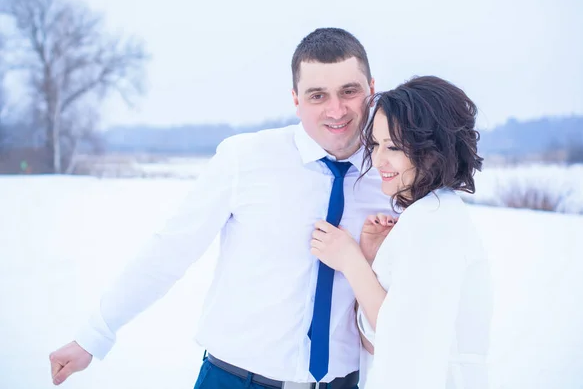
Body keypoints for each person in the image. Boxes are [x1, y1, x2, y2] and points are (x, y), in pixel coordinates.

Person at [48, 28, 394, 388]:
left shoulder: (391, 178)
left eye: (349, 91)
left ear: (371, 87)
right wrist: (94, 334)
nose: (336, 110)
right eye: (317, 95)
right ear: (295, 99)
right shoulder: (244, 159)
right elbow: (170, 250)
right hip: (234, 379)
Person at [310, 76, 494, 388]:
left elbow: (404, 340)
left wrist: (350, 262)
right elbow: (380, 342)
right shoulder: (428, 216)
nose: (378, 160)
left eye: (393, 146)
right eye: (376, 144)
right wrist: (371, 260)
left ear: (432, 150)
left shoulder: (434, 223)